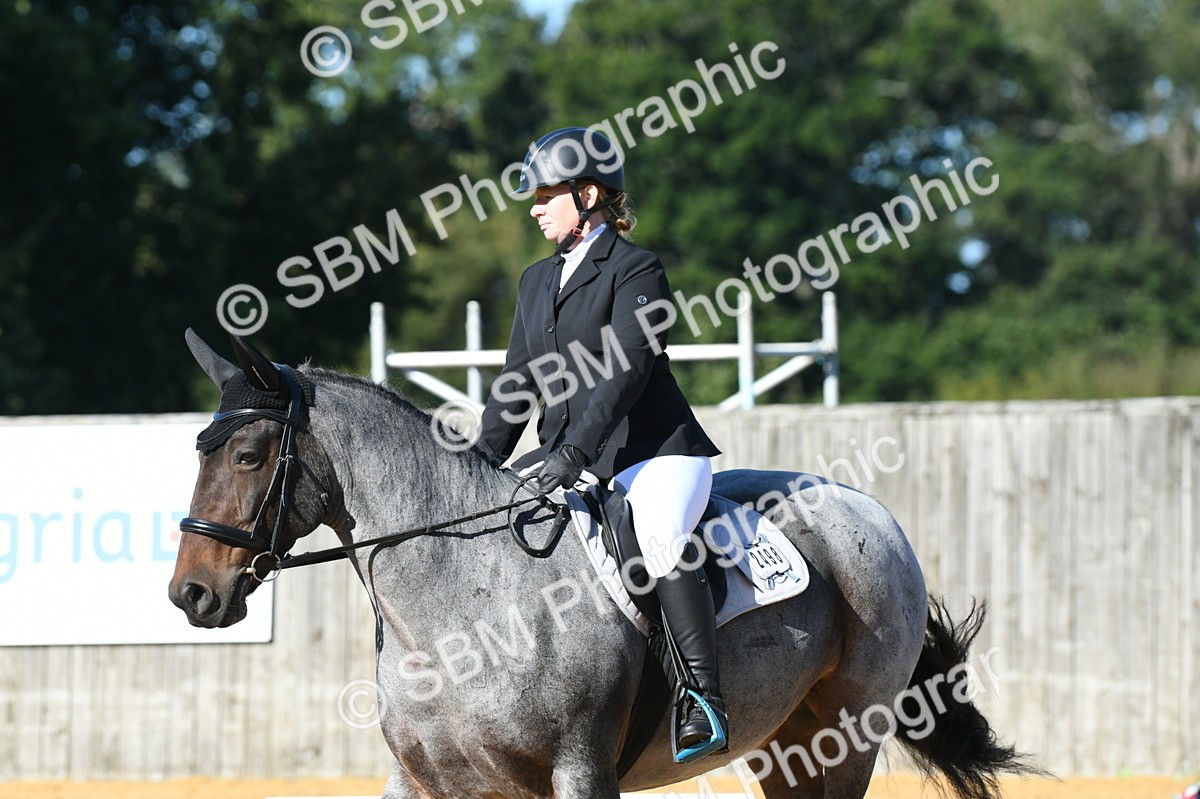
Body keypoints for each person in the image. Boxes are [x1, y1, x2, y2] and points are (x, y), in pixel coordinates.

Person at [477, 126, 728, 762]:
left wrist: (574, 453)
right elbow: (517, 381)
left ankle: (701, 697)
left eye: (545, 194)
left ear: (588, 195)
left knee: (664, 535)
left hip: (655, 455)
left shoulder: (636, 268)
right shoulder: (536, 281)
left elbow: (625, 370)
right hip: (571, 457)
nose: (534, 207)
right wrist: (479, 461)